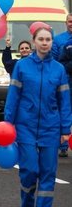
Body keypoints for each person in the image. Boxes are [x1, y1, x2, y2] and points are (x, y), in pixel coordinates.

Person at [5, 27, 71, 207]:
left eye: (48, 39)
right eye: (41, 39)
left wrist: (66, 128)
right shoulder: (22, 66)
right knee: (29, 171)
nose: (44, 43)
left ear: (52, 42)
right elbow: (13, 96)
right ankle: (26, 202)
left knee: (48, 174)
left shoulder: (58, 70)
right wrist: (8, 123)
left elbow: (64, 101)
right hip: (25, 126)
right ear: (34, 41)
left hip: (51, 127)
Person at [51, 13, 72, 158]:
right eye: (70, 21)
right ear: (66, 23)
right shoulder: (59, 39)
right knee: (64, 110)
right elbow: (55, 61)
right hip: (65, 81)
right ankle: (63, 144)